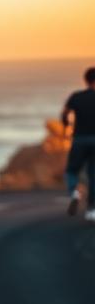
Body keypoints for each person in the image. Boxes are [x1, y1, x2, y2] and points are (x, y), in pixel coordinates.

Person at [62, 66, 95, 220]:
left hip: (80, 138)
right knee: (93, 175)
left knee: (71, 170)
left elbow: (65, 114)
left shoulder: (76, 96)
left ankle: (75, 192)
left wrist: (66, 128)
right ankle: (91, 210)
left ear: (86, 80)